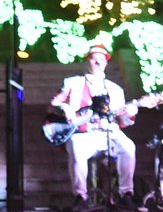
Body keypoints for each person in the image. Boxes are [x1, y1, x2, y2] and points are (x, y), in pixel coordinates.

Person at [51, 39, 138, 203]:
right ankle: (80, 196)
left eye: (101, 59)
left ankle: (126, 194)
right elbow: (54, 103)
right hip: (82, 133)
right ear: (87, 61)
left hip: (108, 133)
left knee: (128, 147)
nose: (98, 62)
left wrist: (131, 113)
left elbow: (122, 121)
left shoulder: (115, 89)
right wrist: (65, 108)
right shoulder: (72, 83)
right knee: (76, 146)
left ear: (106, 62)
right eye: (93, 58)